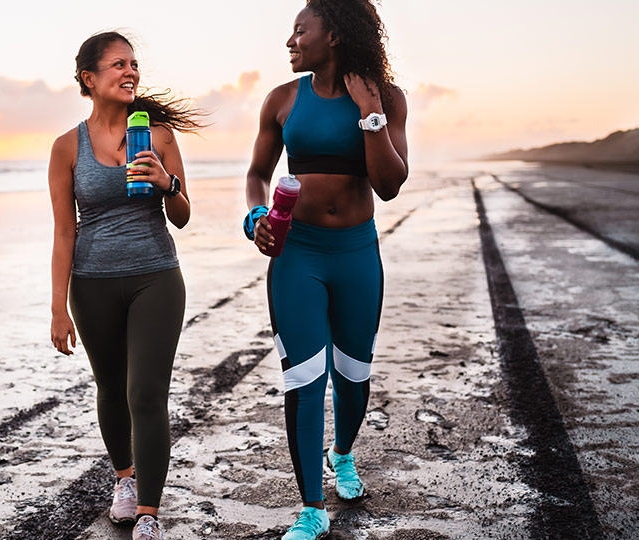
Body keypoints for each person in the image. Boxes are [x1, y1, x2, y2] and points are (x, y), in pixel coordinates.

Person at [244, 2, 408, 539]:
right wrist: (255, 218)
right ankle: (310, 509)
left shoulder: (386, 100)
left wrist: (370, 113)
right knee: (304, 378)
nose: (290, 41)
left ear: (333, 34)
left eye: (300, 30)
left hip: (357, 253)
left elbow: (388, 184)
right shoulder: (283, 101)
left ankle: (343, 454)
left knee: (353, 377)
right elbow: (256, 174)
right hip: (298, 254)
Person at [48, 31, 203, 540]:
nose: (130, 72)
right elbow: (64, 231)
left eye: (134, 64)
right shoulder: (66, 147)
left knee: (146, 393)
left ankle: (149, 513)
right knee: (111, 387)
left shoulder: (158, 137)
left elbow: (181, 216)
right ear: (90, 79)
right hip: (91, 284)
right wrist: (57, 309)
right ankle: (124, 481)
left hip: (156, 276)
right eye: (118, 64)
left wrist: (168, 183)